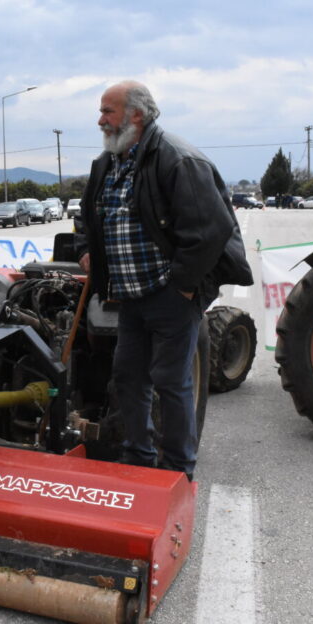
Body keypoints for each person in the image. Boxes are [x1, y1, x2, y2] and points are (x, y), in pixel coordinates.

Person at [75, 81, 251, 480]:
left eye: (108, 111)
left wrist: (183, 286)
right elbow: (88, 215)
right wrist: (87, 250)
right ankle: (138, 457)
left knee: (170, 381)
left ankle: (176, 470)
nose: (100, 119)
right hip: (130, 297)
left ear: (136, 115)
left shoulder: (177, 159)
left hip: (169, 295)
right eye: (102, 111)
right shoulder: (108, 161)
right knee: (128, 376)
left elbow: (210, 230)